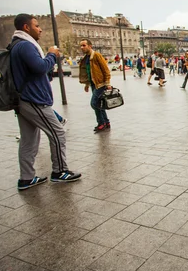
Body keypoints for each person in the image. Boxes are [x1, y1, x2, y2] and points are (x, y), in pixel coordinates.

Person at [10, 13, 81, 190]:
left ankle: (26, 178)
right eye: (36, 26)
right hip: (34, 100)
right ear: (26, 27)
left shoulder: (16, 45)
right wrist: (51, 55)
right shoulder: (25, 46)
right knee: (58, 133)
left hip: (22, 100)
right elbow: (40, 67)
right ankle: (59, 172)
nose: (40, 29)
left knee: (28, 140)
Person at [79, 39, 113, 132]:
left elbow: (105, 69)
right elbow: (88, 72)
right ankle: (106, 122)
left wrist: (108, 83)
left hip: (100, 84)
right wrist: (86, 84)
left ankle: (101, 123)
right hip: (93, 84)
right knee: (99, 103)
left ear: (90, 46)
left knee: (94, 103)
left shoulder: (96, 55)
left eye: (84, 45)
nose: (82, 47)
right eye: (81, 46)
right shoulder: (86, 58)